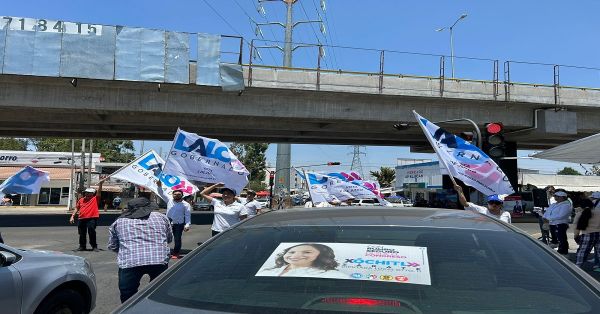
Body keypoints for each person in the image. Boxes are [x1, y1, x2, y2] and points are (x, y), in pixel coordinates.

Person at [107, 197, 173, 303]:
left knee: (128, 293)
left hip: (130, 261)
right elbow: (169, 238)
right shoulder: (162, 217)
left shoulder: (119, 221)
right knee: (158, 290)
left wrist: (126, 250)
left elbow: (113, 245)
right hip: (159, 260)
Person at [256, 243, 348, 279]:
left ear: (321, 256)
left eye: (307, 252)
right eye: (291, 252)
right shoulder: (266, 270)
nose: (295, 256)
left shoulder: (333, 275)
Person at [156, 181, 191, 259]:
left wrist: (187, 224)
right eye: (175, 194)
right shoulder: (169, 200)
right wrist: (159, 186)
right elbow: (161, 193)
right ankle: (162, 252)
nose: (177, 195)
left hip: (179, 224)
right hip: (167, 223)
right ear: (172, 195)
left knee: (177, 238)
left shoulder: (186, 204)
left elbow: (188, 215)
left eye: (179, 194)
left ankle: (176, 252)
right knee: (163, 238)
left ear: (182, 195)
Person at [70, 179, 106, 251]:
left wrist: (101, 184)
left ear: (92, 194)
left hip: (92, 218)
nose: (87, 194)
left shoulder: (95, 199)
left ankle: (94, 246)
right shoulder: (81, 200)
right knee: (82, 233)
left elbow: (99, 192)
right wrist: (72, 216)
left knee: (91, 231)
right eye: (86, 192)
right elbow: (77, 208)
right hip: (81, 218)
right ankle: (82, 246)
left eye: (89, 193)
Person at [574, 193, 600, 269]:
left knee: (582, 251)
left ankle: (578, 266)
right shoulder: (599, 212)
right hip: (599, 234)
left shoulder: (580, 214)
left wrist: (576, 236)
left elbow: (576, 227)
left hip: (587, 234)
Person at [543, 190, 572, 255]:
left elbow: (561, 215)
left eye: (557, 196)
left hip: (560, 224)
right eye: (555, 196)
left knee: (561, 239)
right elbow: (547, 212)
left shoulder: (566, 205)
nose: (555, 198)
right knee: (555, 238)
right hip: (552, 223)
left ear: (562, 197)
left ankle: (563, 252)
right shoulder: (553, 204)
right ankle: (558, 251)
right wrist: (544, 217)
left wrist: (549, 218)